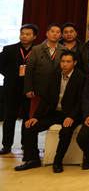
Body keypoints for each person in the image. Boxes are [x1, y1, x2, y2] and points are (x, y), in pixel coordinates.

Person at [16, 51, 84, 173]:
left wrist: (72, 117)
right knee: (30, 127)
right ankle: (33, 159)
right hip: (56, 113)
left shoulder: (80, 77)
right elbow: (46, 99)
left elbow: (80, 102)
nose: (64, 64)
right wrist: (36, 117)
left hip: (72, 114)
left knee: (65, 131)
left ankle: (58, 161)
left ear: (74, 63)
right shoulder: (55, 75)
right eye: (62, 61)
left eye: (68, 62)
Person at [0, 24, 37, 155]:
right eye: (22, 33)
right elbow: (1, 66)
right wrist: (10, 75)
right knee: (9, 118)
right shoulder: (9, 49)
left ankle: (25, 143)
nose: (24, 36)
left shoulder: (38, 50)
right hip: (12, 89)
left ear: (34, 36)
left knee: (27, 118)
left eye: (28, 34)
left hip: (30, 90)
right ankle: (6, 145)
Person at [24, 23, 67, 114]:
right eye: (52, 31)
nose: (55, 34)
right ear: (47, 33)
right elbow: (29, 70)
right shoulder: (36, 49)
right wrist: (28, 88)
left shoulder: (64, 50)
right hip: (38, 89)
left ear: (61, 35)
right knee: (35, 116)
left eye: (58, 32)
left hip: (57, 89)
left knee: (51, 117)